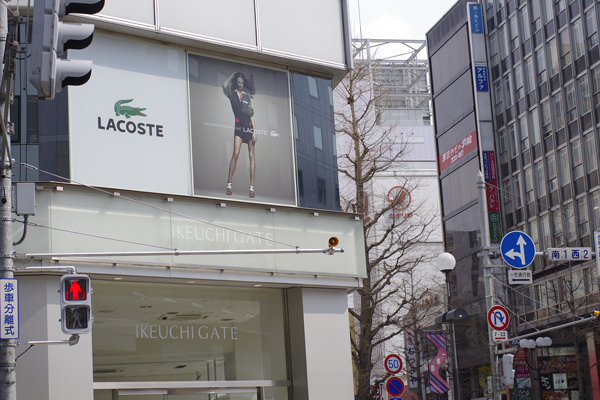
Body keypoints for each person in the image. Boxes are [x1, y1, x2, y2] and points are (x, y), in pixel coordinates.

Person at [222, 72, 257, 198]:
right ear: (236, 82)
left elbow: (251, 114)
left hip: (249, 127)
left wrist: (254, 131)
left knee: (251, 156)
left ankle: (251, 188)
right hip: (238, 126)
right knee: (235, 154)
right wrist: (231, 76)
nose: (241, 84)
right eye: (238, 82)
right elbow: (224, 86)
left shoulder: (247, 96)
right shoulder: (231, 93)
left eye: (242, 82)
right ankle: (229, 185)